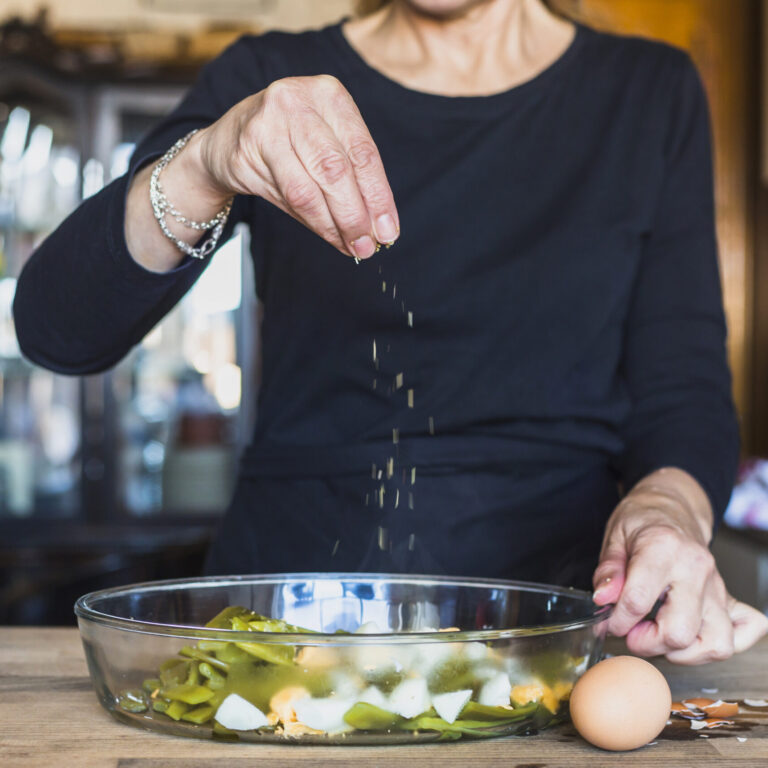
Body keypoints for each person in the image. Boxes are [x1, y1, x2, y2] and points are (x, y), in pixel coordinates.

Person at [13, 0, 768, 663]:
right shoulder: (272, 74)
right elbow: (56, 326)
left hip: (554, 622)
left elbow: (684, 390)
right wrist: (208, 161)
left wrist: (667, 510)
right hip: (286, 627)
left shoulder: (648, 91)